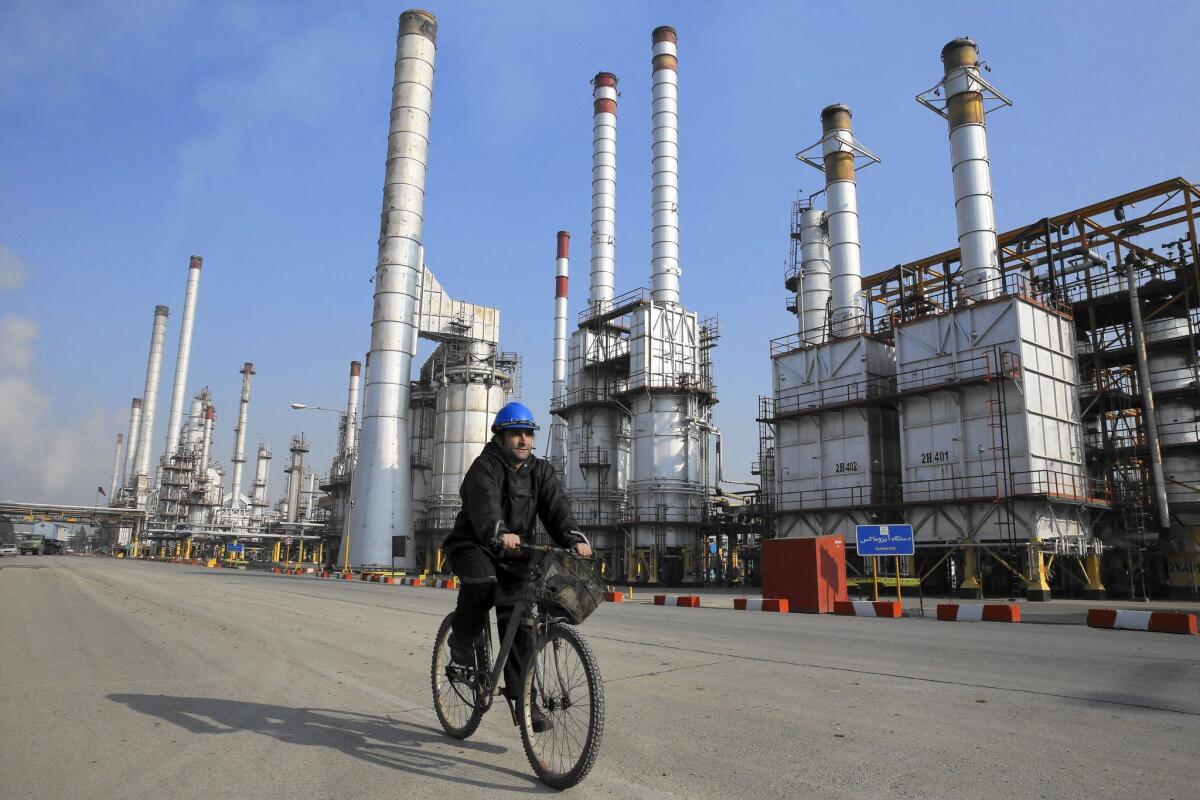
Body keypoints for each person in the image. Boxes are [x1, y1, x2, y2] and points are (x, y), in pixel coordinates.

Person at [442, 401, 592, 733]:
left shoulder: (540, 471)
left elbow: (556, 506)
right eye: (515, 434)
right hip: (475, 543)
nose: (523, 440)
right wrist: (497, 530)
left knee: (523, 622)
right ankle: (462, 642)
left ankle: (525, 702)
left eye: (528, 434)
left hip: (516, 551)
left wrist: (572, 536)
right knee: (481, 581)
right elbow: (484, 502)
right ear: (500, 437)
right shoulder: (485, 466)